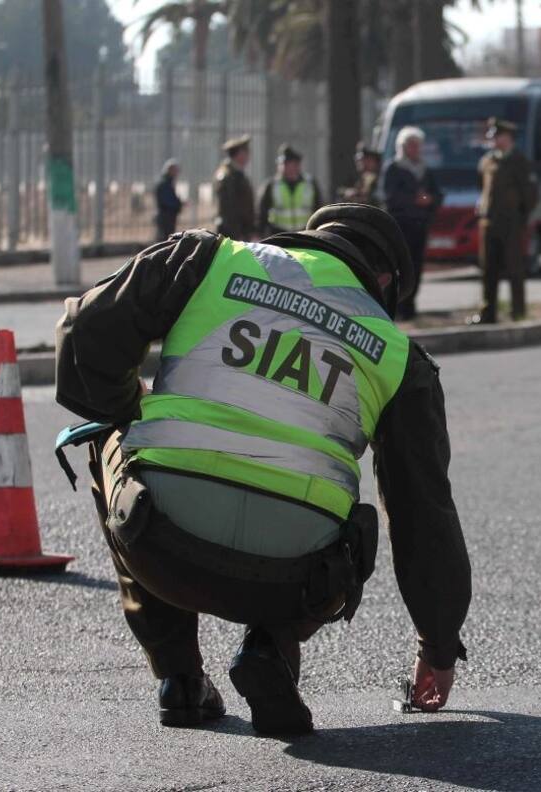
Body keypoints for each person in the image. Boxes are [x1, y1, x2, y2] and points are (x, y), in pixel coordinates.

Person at [54, 203, 471, 735]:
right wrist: (438, 647)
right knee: (337, 509)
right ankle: (269, 648)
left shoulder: (210, 259)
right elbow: (424, 515)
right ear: (385, 281)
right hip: (295, 582)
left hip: (158, 545)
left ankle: (179, 680)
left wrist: (123, 405)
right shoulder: (398, 356)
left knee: (108, 433)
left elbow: (83, 331)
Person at [471, 117, 537, 325]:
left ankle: (518, 311)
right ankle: (487, 313)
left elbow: (530, 195)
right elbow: (483, 187)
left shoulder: (519, 161)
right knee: (488, 270)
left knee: (514, 268)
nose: (493, 140)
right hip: (489, 223)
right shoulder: (487, 161)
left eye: (497, 136)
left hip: (511, 224)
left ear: (508, 137)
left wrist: (520, 218)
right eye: (492, 136)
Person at [382, 126, 443, 320]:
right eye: (411, 145)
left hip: (420, 225)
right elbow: (390, 197)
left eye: (418, 145)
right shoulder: (394, 168)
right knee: (400, 268)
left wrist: (429, 199)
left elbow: (437, 194)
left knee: (416, 267)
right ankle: (397, 306)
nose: (415, 149)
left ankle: (410, 306)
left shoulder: (425, 170)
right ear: (403, 147)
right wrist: (413, 200)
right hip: (401, 226)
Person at [258, 143, 323, 237]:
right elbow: (262, 213)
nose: (284, 167)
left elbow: (319, 209)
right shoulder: (271, 185)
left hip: (305, 233)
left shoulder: (310, 184)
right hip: (279, 234)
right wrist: (261, 233)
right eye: (282, 164)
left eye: (288, 164)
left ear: (297, 165)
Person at [214, 135, 256, 241]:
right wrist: (237, 235)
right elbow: (229, 209)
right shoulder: (227, 176)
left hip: (240, 232)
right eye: (246, 153)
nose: (248, 156)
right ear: (239, 154)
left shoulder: (237, 174)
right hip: (232, 234)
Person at [154, 159, 183, 241]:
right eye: (175, 170)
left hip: (168, 216)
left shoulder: (168, 183)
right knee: (163, 239)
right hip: (165, 216)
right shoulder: (164, 184)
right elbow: (167, 201)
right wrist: (178, 203)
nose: (177, 173)